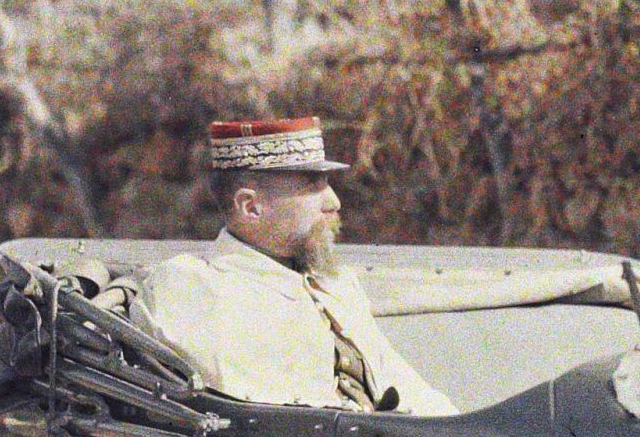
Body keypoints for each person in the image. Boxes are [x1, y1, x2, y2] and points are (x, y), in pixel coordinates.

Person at [137, 116, 456, 416]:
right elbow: (260, 414)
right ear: (251, 206)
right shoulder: (192, 286)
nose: (334, 202)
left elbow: (407, 387)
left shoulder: (334, 283)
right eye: (312, 187)